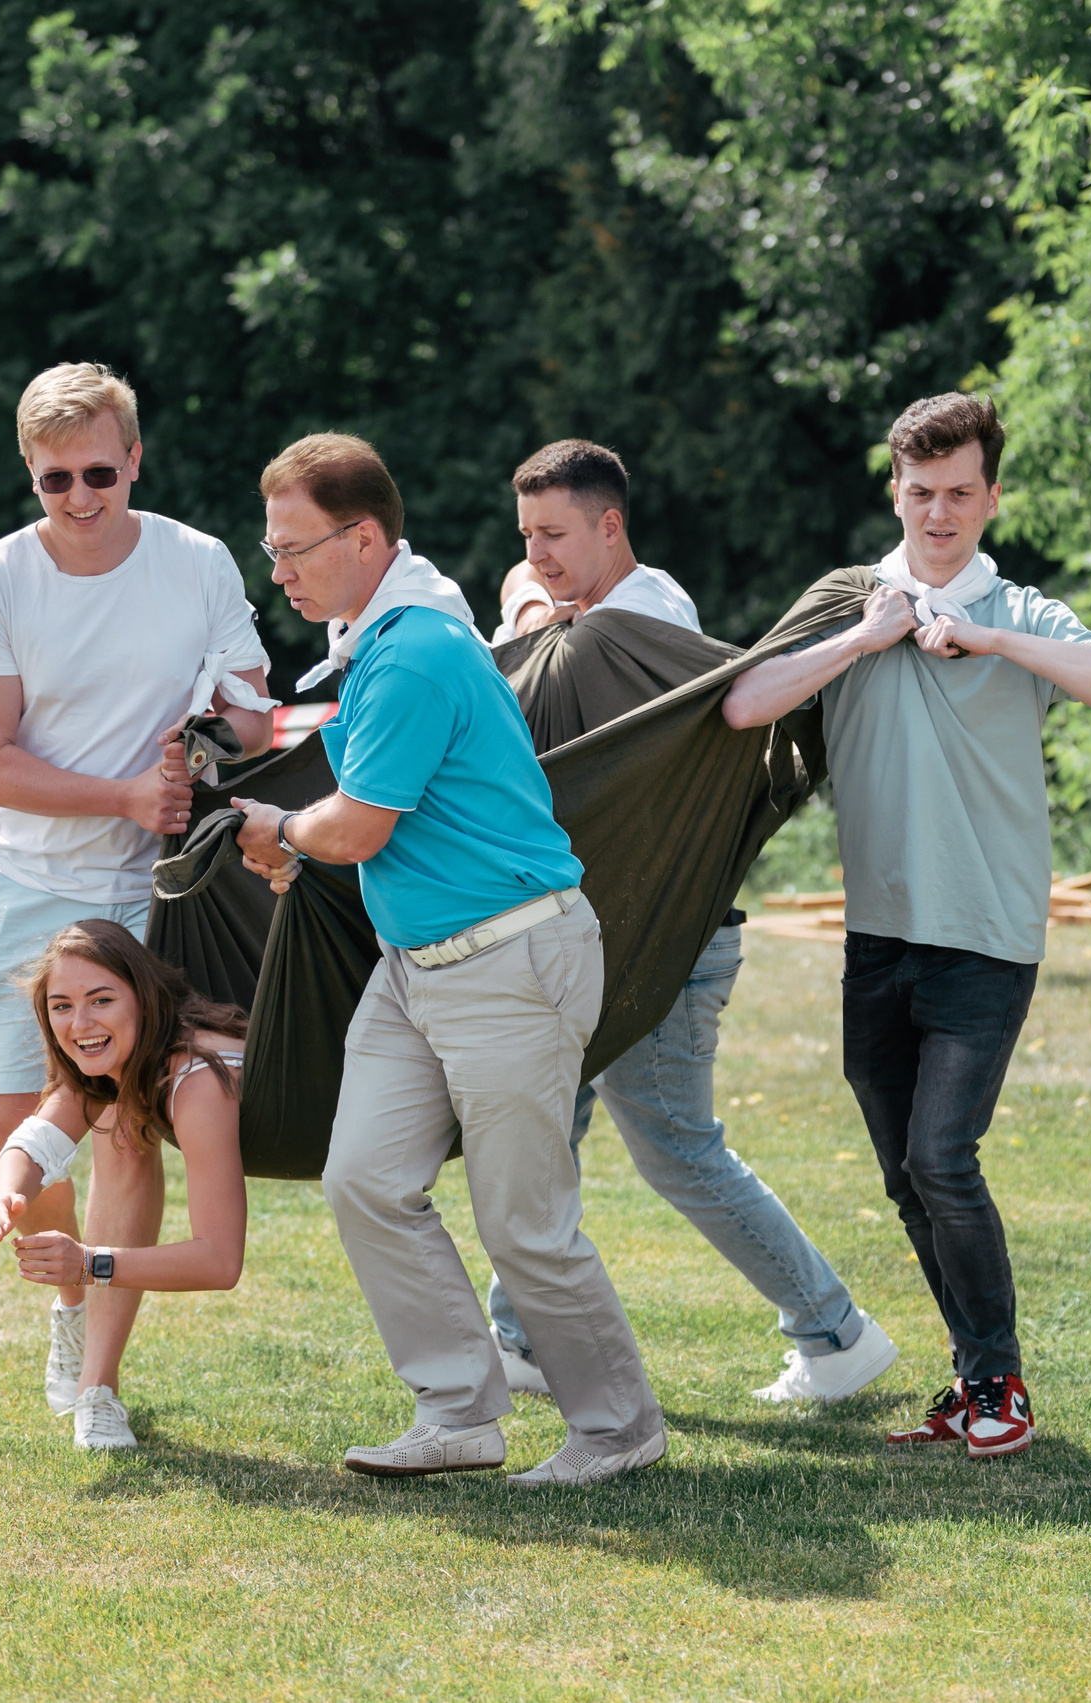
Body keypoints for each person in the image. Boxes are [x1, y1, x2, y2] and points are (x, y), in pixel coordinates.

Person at [229, 433, 667, 1487]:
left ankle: (620, 1428)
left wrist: (280, 831)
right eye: (272, 549)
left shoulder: (414, 649)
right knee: (365, 1179)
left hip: (510, 962)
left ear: (362, 538)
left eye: (292, 549)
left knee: (524, 1225)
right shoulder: (386, 636)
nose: (277, 572)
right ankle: (460, 1413)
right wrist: (301, 837)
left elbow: (359, 825)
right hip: (419, 966)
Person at [721, 393, 1091, 1459]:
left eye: (961, 492)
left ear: (991, 496)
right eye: (922, 492)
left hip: (988, 933)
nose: (940, 512)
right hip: (877, 937)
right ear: (895, 492)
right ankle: (971, 1379)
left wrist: (990, 640)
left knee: (943, 1156)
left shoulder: (1021, 610)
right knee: (907, 1176)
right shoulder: (850, 601)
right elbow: (743, 703)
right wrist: (864, 639)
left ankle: (1000, 1381)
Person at [486, 439, 899, 1404]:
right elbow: (516, 589)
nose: (536, 552)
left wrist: (539, 620)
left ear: (611, 527)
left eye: (554, 534)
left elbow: (698, 713)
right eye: (527, 532)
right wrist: (536, 600)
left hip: (666, 936)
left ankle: (837, 1335)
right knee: (547, 1130)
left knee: (676, 1146)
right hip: (601, 927)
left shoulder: (643, 617)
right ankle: (520, 1337)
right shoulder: (586, 602)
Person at [0, 361, 273, 1418]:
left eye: (98, 472)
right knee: (7, 1126)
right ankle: (70, 1297)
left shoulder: (198, 560)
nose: (80, 496)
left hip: (149, 894)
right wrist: (122, 794)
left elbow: (254, 716)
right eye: (55, 479)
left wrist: (209, 739)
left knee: (126, 1127)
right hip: (26, 877)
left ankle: (98, 1381)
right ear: (29, 473)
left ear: (134, 459)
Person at [0, 920, 249, 1449]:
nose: (80, 1023)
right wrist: (7, 1195)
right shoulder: (118, 1061)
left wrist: (88, 1264)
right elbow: (31, 1143)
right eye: (61, 1006)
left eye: (101, 1000)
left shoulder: (197, 1079)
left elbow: (220, 1262)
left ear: (143, 996)